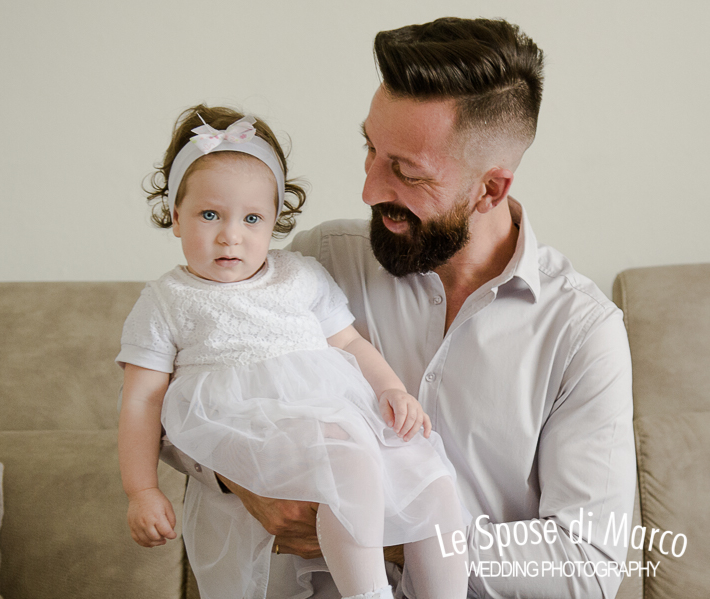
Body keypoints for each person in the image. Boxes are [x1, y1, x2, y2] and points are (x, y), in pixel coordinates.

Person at [164, 18, 637, 599]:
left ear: (491, 189)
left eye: (407, 172)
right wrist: (239, 480)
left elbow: (585, 565)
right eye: (370, 148)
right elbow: (168, 394)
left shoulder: (582, 333)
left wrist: (383, 532)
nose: (368, 189)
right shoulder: (315, 265)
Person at [117, 104, 470, 599]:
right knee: (349, 462)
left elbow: (349, 342)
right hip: (250, 428)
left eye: (252, 218)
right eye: (210, 214)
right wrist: (142, 489)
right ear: (176, 217)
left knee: (430, 476)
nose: (230, 235)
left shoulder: (299, 275)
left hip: (333, 418)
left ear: (274, 222)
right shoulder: (167, 301)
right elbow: (141, 400)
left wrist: (391, 389)